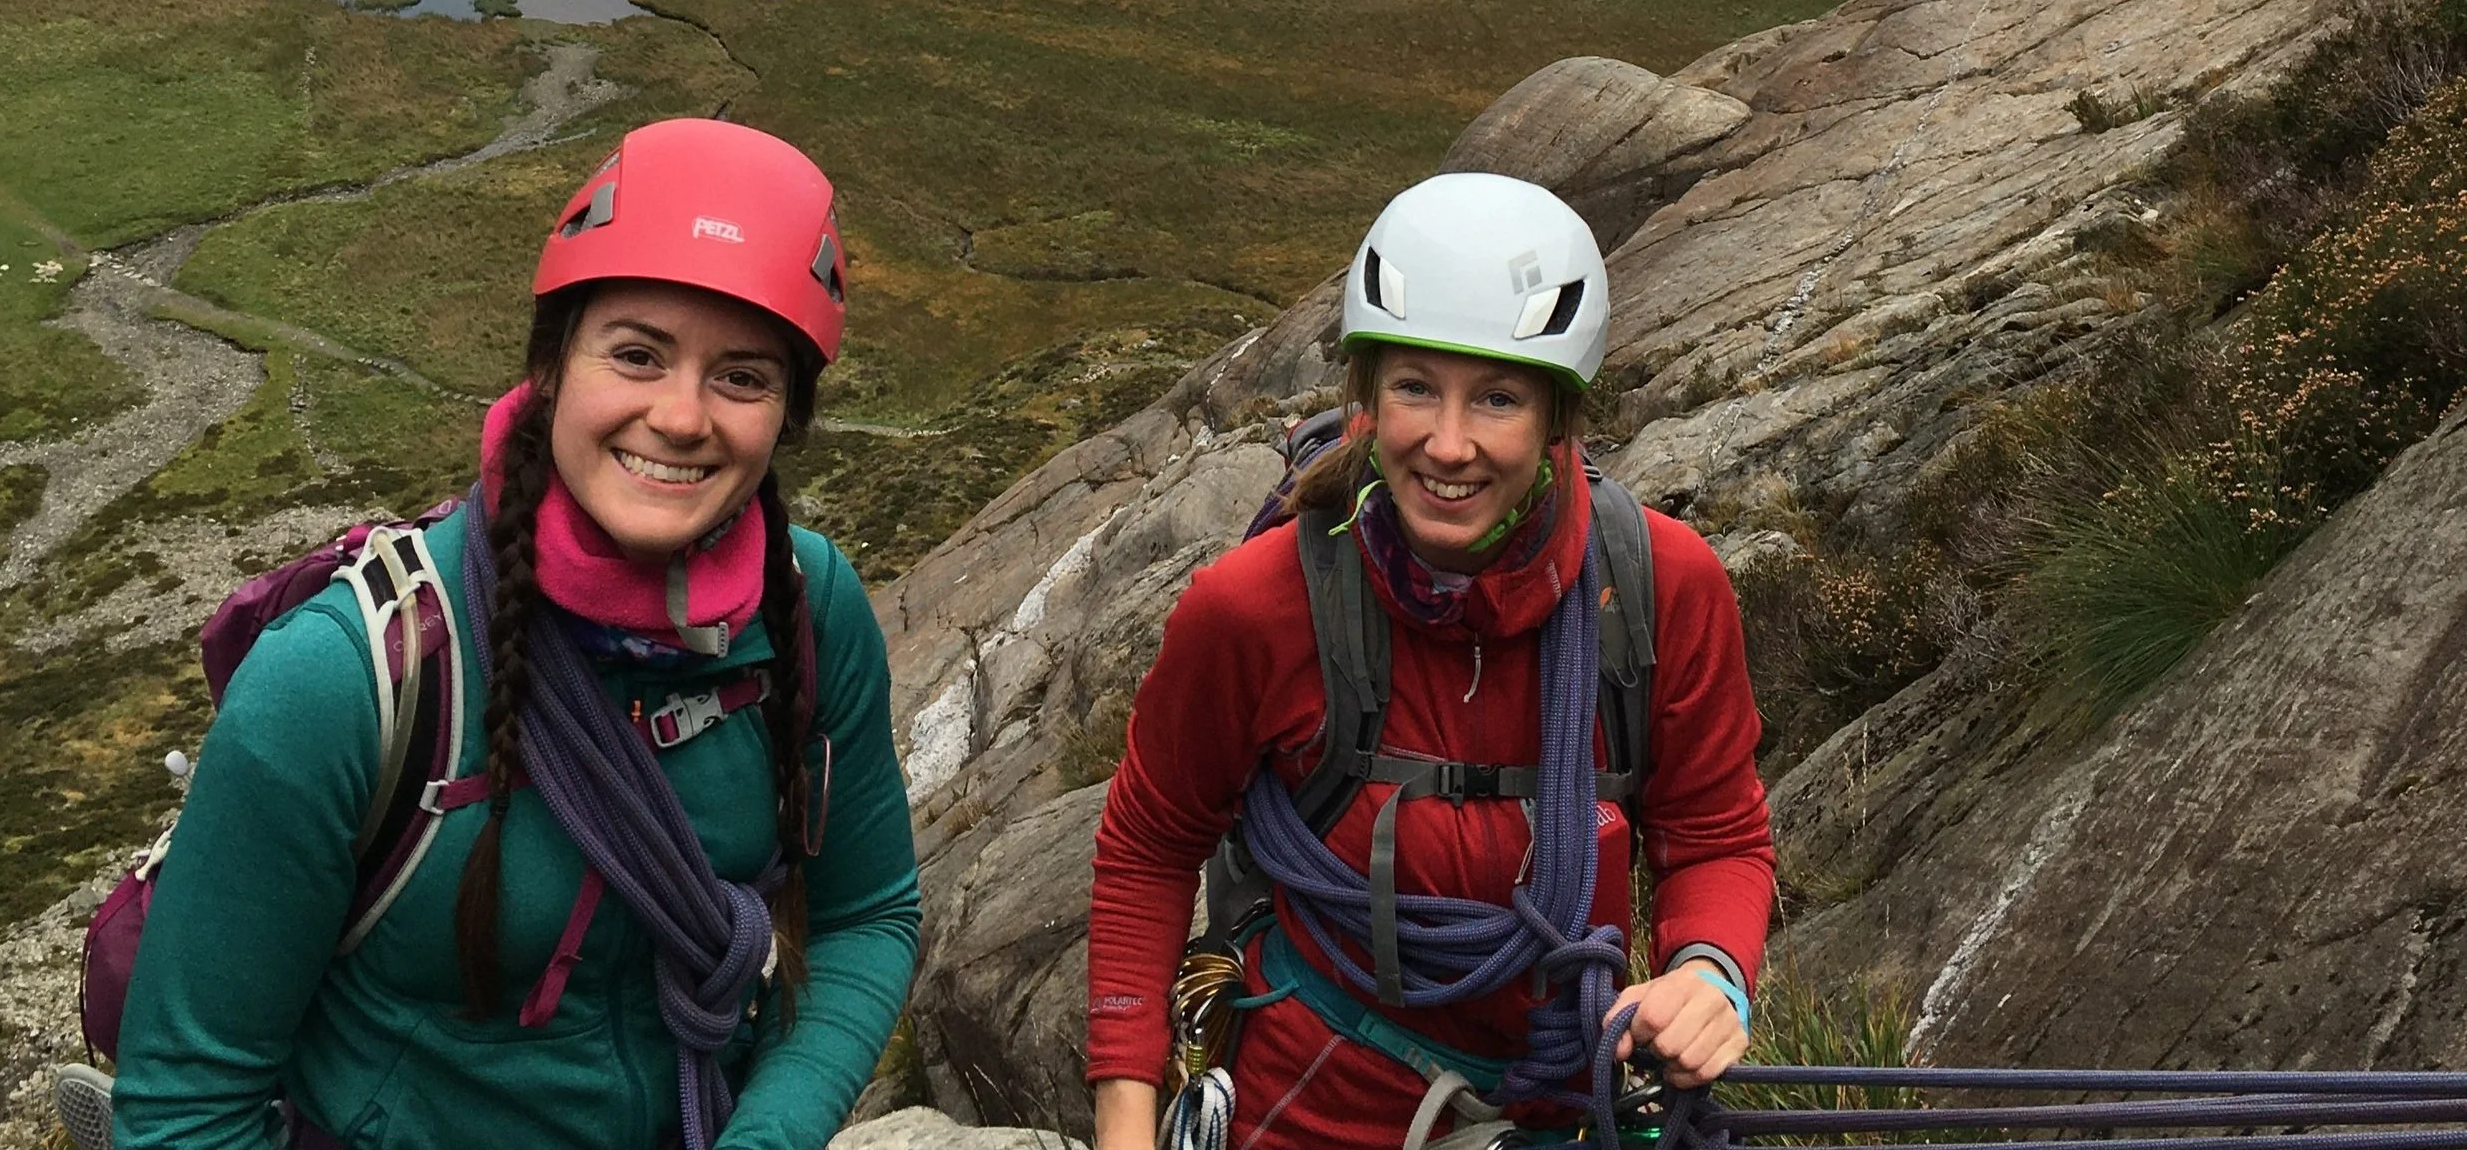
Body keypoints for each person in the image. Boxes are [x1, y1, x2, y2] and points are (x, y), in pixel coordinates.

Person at [108, 118, 921, 1150]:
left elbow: (865, 914)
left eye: (743, 375)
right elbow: (186, 1109)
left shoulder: (808, 605)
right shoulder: (345, 679)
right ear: (551, 364)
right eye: (635, 352)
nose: (680, 415)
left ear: (786, 416)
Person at [1087, 172, 1775, 1150]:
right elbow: (1150, 841)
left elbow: (1713, 831)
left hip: (1567, 1095)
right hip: (1309, 1097)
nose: (1447, 444)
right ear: (1367, 394)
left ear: (1555, 418)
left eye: (1495, 396)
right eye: (1414, 386)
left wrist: (1709, 969)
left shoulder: (1662, 584)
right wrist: (1124, 1119)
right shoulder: (1255, 606)